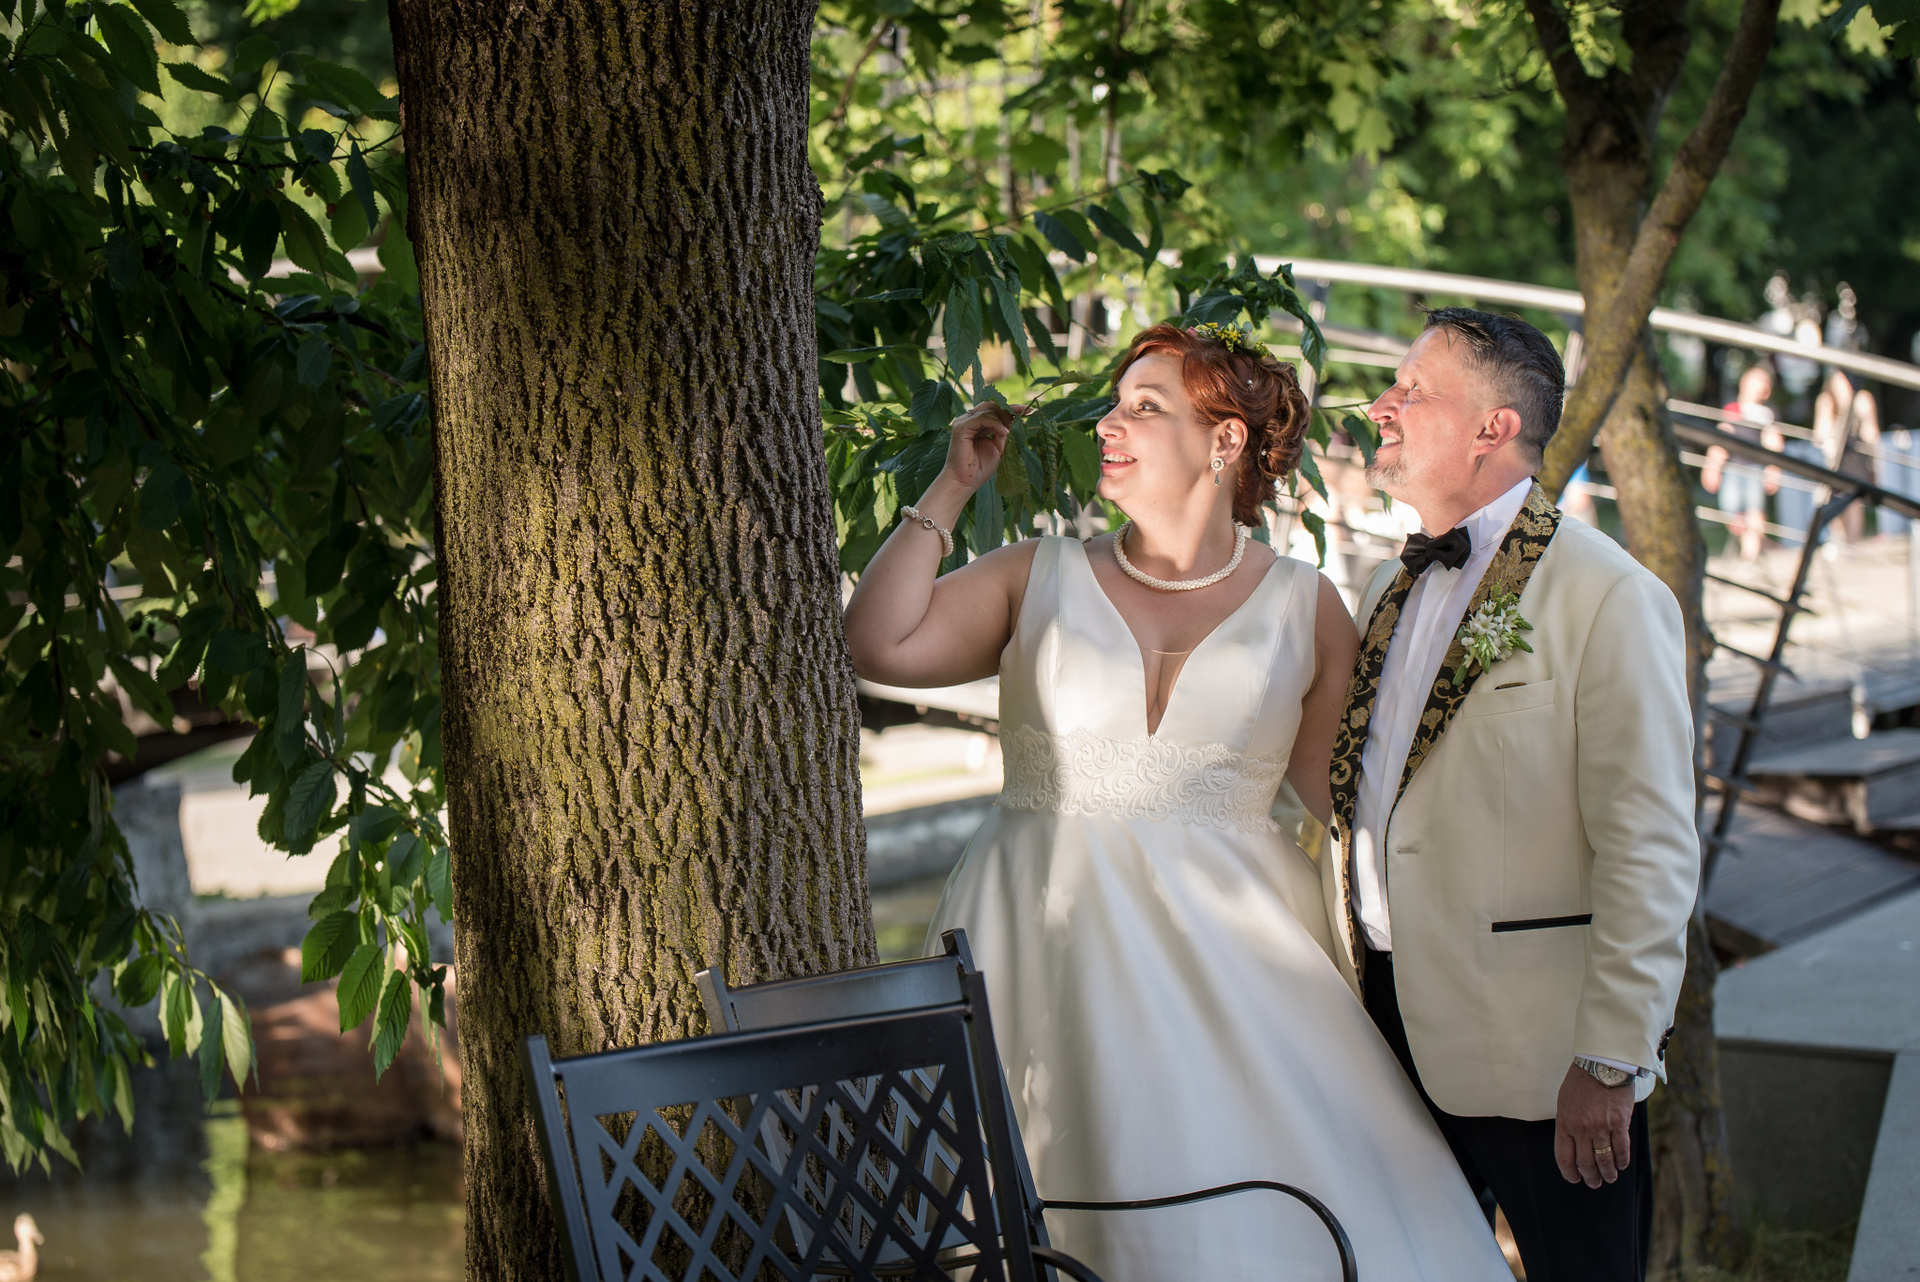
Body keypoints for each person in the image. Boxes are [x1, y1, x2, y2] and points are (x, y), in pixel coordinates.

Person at [843, 322, 1511, 1281]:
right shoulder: (1038, 573)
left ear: (1224, 440)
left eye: (1144, 408)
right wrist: (953, 486)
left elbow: (1350, 806)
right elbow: (878, 643)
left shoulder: (1305, 603)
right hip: (1035, 935)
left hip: (1237, 964)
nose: (1109, 425)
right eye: (1114, 405)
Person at [1328, 308, 1699, 1282]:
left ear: (1492, 428)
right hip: (1387, 1030)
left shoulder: (1607, 597)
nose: (1381, 406)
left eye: (1412, 389)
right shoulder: (1384, 592)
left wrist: (1610, 1060)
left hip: (1543, 1057)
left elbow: (1650, 849)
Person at [1701, 364, 1782, 561]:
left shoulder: (1768, 413)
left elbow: (1773, 440)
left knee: (1755, 509)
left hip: (1755, 467)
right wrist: (1712, 466)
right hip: (1734, 467)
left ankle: (1750, 554)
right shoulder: (1732, 408)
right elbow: (1722, 438)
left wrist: (1774, 468)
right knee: (1731, 510)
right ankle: (1752, 548)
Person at [1813, 369, 1881, 543]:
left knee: (1854, 503)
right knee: (1834, 502)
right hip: (1833, 460)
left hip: (1856, 458)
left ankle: (1852, 545)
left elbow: (1871, 435)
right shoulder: (1826, 401)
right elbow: (1820, 436)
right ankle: (1841, 543)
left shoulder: (1862, 399)